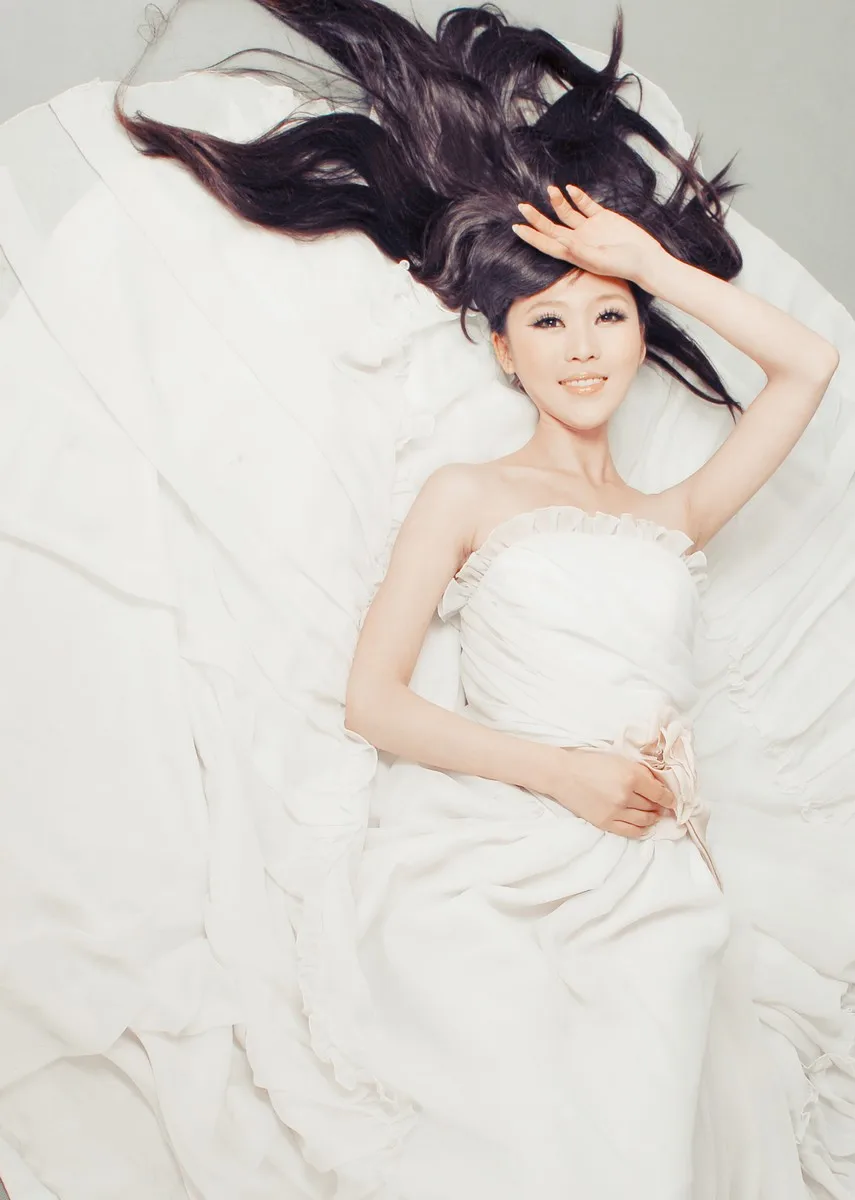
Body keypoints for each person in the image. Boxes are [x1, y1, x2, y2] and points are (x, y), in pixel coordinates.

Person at [0, 2, 851, 1197]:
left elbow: (810, 367)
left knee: (657, 1099)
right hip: (500, 854)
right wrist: (563, 775)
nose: (584, 347)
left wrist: (653, 265)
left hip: (657, 871)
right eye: (548, 322)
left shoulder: (675, 517)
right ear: (506, 351)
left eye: (607, 317)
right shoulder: (468, 495)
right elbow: (376, 702)